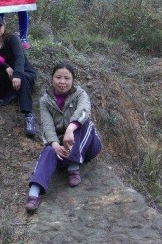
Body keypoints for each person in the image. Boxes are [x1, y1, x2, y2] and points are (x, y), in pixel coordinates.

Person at [25, 63, 102, 213]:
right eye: (58, 77)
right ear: (52, 78)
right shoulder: (45, 100)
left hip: (87, 146)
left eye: (67, 78)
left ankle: (74, 167)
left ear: (73, 80)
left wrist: (70, 128)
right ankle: (34, 193)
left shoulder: (80, 94)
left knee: (86, 123)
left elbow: (84, 111)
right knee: (48, 150)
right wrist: (55, 145)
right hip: (64, 147)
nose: (62, 82)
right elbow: (47, 126)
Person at [0, 14, 37, 137]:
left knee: (23, 77)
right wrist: (6, 66)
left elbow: (20, 57)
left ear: (4, 26)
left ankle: (28, 115)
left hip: (24, 72)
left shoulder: (12, 38)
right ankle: (10, 92)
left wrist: (17, 74)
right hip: (7, 74)